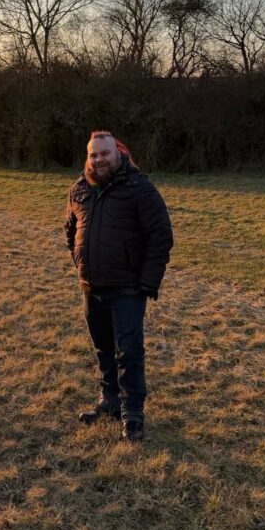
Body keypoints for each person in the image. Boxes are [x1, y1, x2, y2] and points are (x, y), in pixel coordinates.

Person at [64, 130, 173, 442]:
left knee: (129, 353)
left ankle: (133, 414)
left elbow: (160, 236)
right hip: (92, 286)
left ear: (118, 154)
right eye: (93, 154)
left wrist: (147, 283)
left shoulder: (139, 188)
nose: (99, 159)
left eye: (104, 154)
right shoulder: (80, 189)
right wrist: (81, 265)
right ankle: (109, 401)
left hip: (127, 288)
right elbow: (70, 231)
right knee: (103, 349)